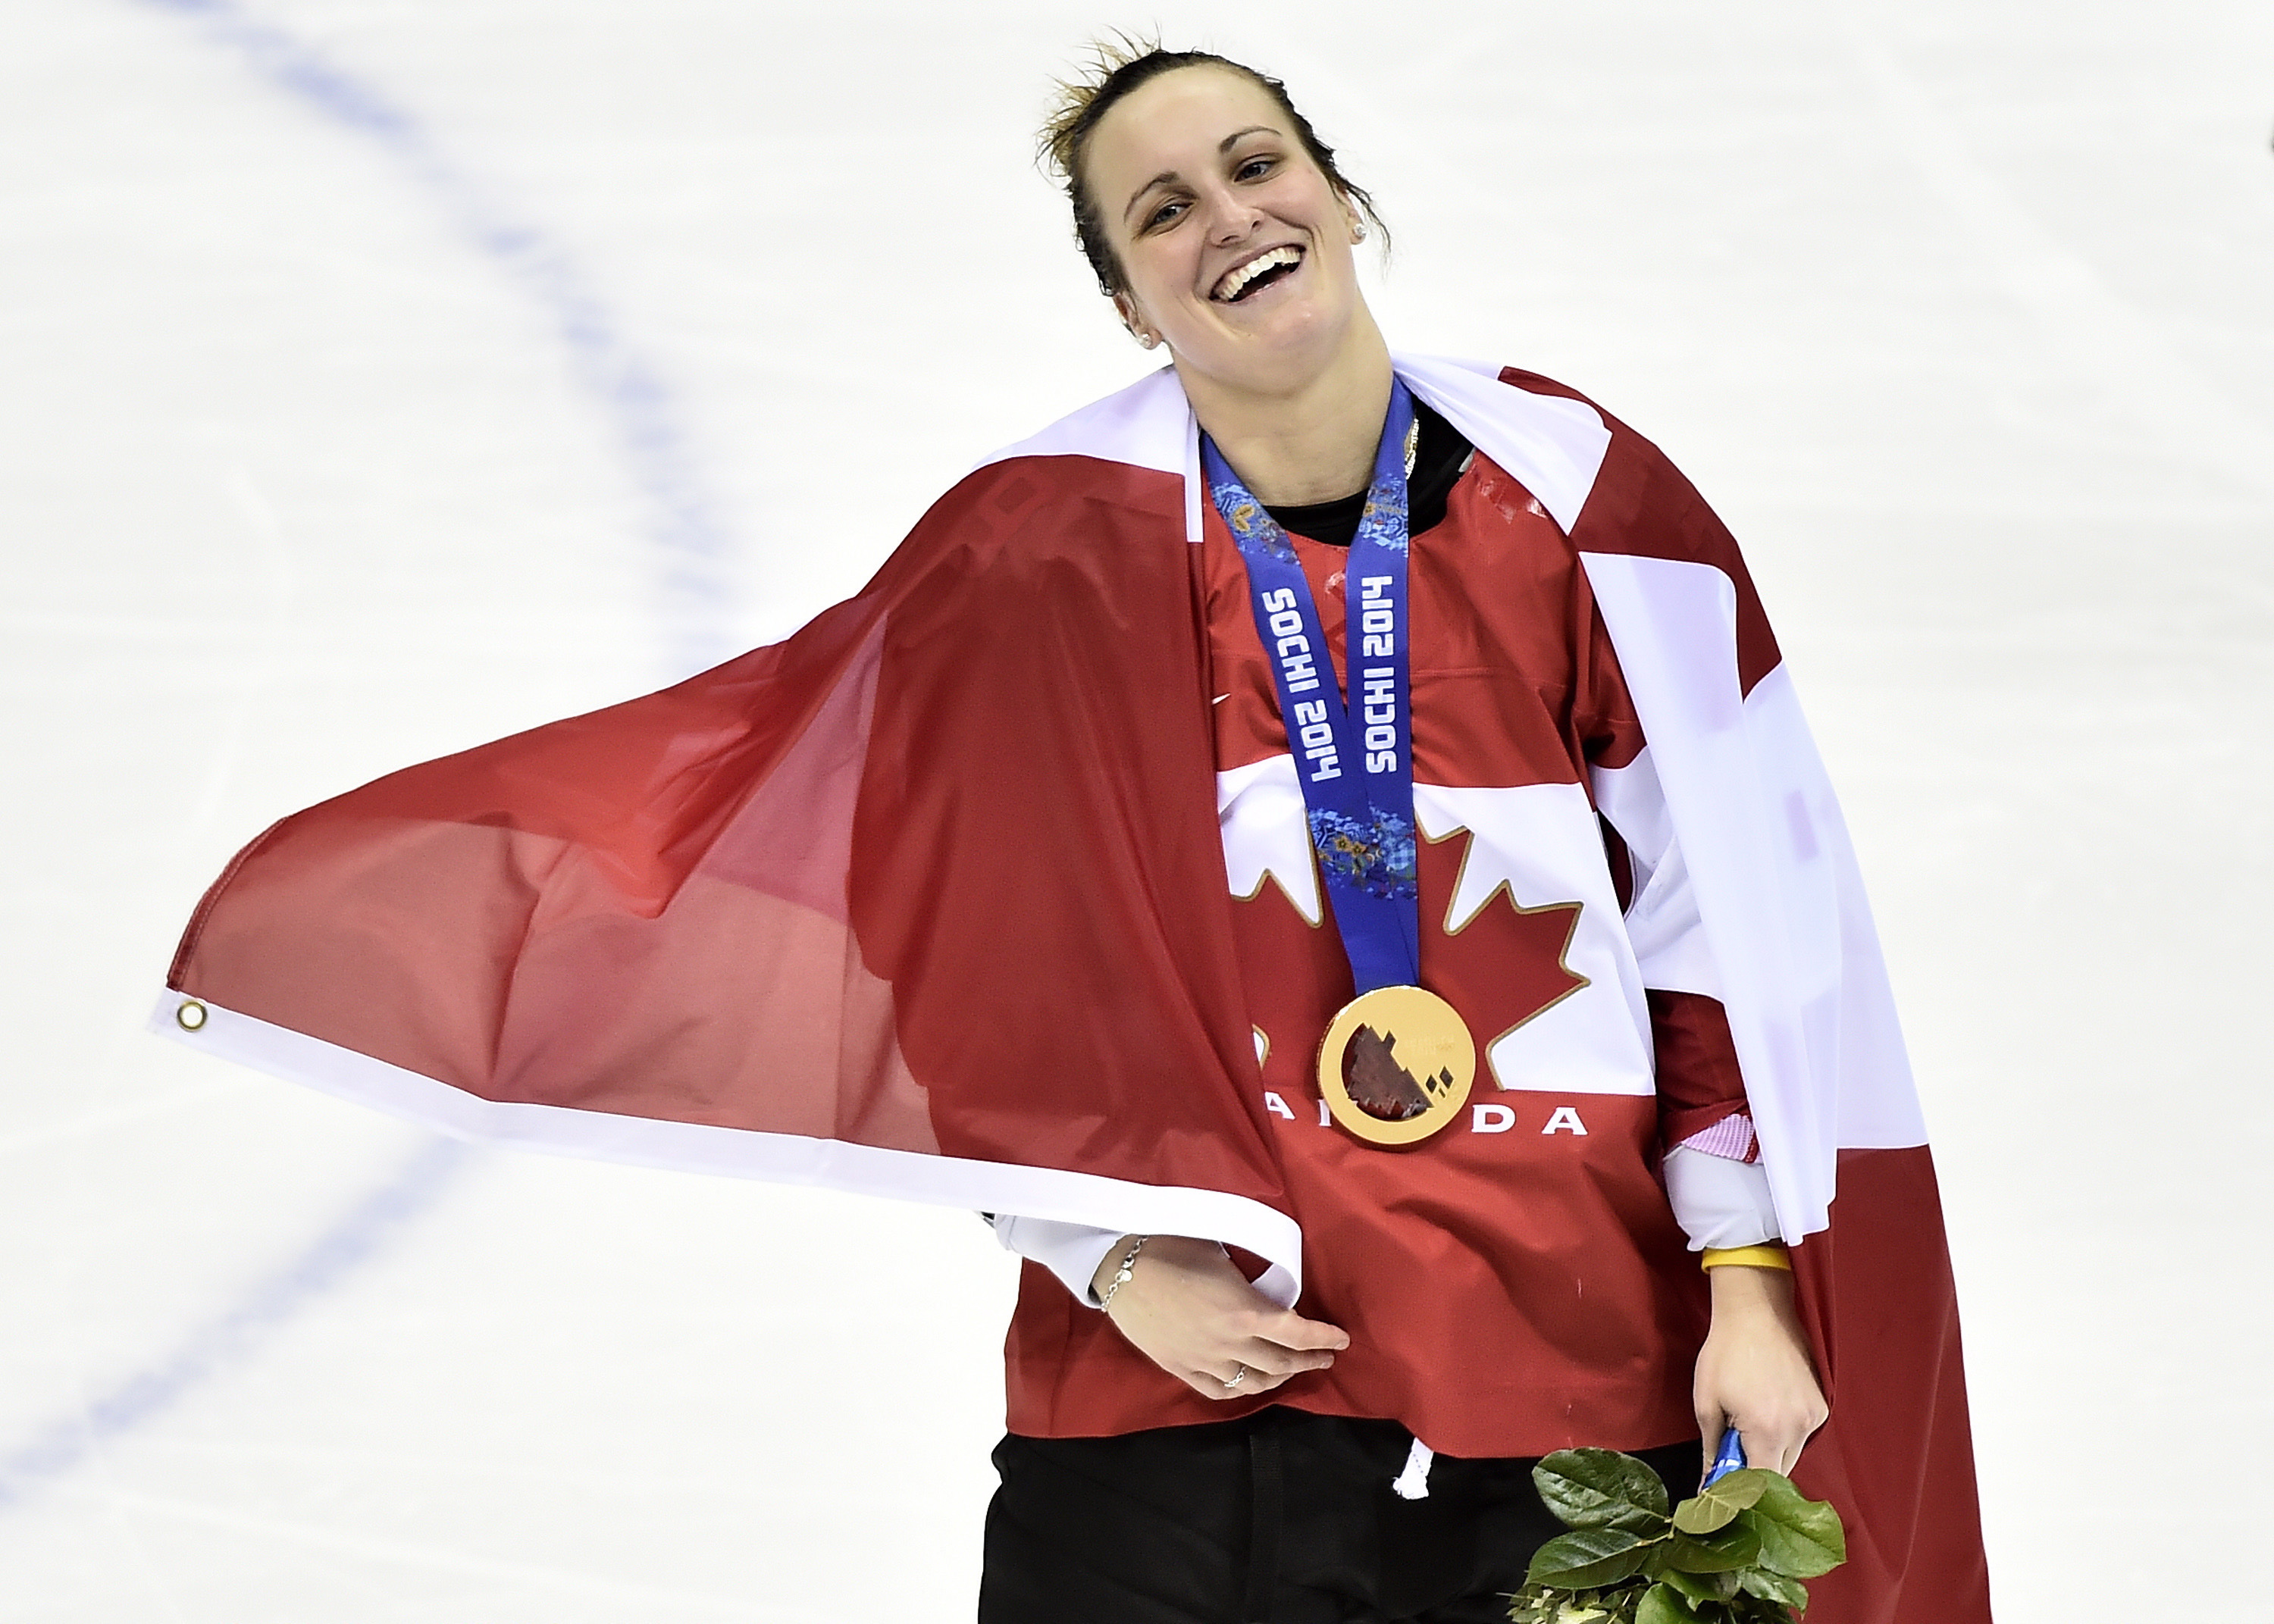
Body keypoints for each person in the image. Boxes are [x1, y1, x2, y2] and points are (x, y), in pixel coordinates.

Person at [154, 39, 1991, 1624]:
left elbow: (1716, 928)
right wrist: (1104, 1253)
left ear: (1341, 197)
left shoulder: (1581, 505)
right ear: (1127, 300)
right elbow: (953, 962)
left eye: (1255, 166)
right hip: (1191, 1382)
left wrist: (1749, 1278)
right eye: (1163, 210)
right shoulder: (1042, 551)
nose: (1228, 219)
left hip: (1568, 1369)